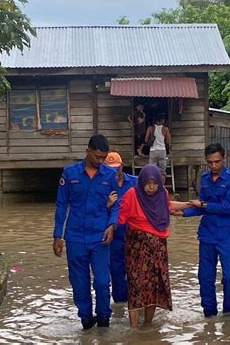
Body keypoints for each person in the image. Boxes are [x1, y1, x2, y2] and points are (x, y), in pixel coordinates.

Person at [52, 134, 119, 330]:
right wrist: (58, 235)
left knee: (102, 281)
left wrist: (112, 225)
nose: (100, 161)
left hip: (100, 237)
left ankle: (104, 319)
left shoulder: (109, 175)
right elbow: (62, 205)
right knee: (79, 283)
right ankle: (86, 320)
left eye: (103, 158)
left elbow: (116, 204)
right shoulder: (70, 173)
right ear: (87, 151)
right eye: (97, 156)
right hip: (75, 237)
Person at [118, 164, 190, 328]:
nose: (151, 187)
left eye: (154, 183)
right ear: (142, 181)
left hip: (158, 249)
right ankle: (134, 329)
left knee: (154, 286)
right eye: (148, 183)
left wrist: (190, 205)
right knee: (136, 285)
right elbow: (120, 218)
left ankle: (148, 325)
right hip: (137, 249)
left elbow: (168, 206)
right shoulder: (132, 194)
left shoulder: (162, 194)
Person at [174, 143, 230, 318]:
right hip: (206, 233)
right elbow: (201, 208)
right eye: (210, 162)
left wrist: (202, 204)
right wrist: (182, 213)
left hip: (225, 234)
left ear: (224, 159)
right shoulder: (204, 178)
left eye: (217, 162)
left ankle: (229, 314)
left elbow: (227, 207)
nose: (213, 166)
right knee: (205, 277)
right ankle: (209, 314)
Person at [104, 151, 138, 303]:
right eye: (110, 168)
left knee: (136, 272)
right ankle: (119, 308)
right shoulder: (102, 185)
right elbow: (94, 212)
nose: (114, 172)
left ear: (122, 166)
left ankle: (137, 305)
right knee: (117, 274)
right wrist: (107, 205)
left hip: (134, 234)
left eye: (116, 168)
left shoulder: (135, 183)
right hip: (114, 237)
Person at [145, 114, 171, 179]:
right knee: (162, 171)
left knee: (152, 170)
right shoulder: (165, 129)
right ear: (162, 120)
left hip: (153, 150)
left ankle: (153, 186)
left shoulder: (150, 128)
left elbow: (145, 140)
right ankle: (161, 187)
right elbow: (168, 141)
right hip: (162, 150)